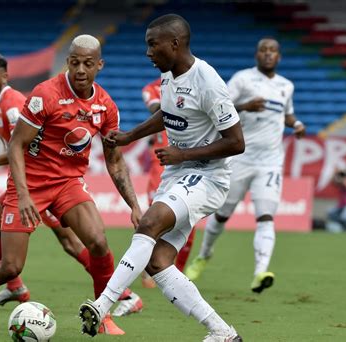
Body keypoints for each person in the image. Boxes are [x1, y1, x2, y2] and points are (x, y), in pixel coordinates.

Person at [0, 36, 143, 335]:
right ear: (68, 62)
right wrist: (24, 195)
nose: (81, 69)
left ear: (99, 66)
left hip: (67, 182)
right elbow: (17, 145)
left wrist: (134, 205)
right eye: (75, 62)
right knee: (11, 267)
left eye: (88, 64)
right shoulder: (45, 95)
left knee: (98, 242)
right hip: (30, 182)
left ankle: (102, 313)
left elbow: (115, 161)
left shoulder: (105, 106)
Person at [79, 14, 244, 341]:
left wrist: (183, 154)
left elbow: (236, 142)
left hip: (208, 176)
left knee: (149, 223)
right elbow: (167, 115)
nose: (148, 53)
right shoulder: (170, 76)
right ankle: (222, 333)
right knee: (158, 261)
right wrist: (130, 136)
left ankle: (103, 304)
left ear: (175, 43)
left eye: (153, 45)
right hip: (179, 173)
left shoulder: (207, 81)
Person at [0, 50, 91, 306]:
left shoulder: (12, 105)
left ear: (4, 76)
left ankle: (124, 294)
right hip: (27, 183)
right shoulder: (1, 104)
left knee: (71, 242)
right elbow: (15, 149)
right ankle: (15, 287)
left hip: (41, 183)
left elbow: (24, 148)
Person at [185, 38, 306, 294]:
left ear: (279, 56)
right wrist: (245, 106)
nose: (268, 54)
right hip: (240, 157)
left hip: (271, 162)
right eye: (263, 50)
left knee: (266, 216)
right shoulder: (242, 79)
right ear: (256, 54)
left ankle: (260, 271)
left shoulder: (287, 86)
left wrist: (295, 125)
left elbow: (286, 114)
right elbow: (219, 106)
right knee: (222, 214)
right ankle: (204, 255)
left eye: (273, 50)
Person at [140, 78, 196, 289]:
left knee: (189, 221)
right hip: (161, 163)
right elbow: (157, 109)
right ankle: (148, 270)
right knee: (155, 218)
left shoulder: (194, 83)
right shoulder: (151, 88)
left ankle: (176, 272)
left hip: (186, 160)